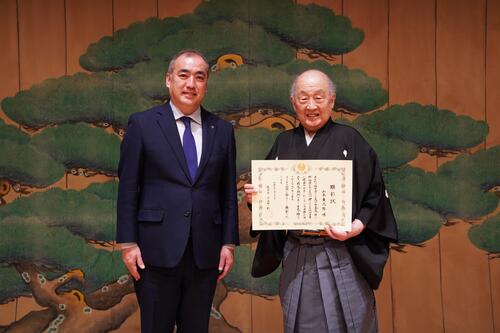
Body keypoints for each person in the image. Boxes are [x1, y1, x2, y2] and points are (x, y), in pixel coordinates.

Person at [244, 69, 397, 333]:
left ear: (332, 101)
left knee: (353, 322)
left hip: (342, 252)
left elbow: (374, 193)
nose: (311, 106)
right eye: (303, 98)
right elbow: (269, 202)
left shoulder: (351, 140)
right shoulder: (283, 142)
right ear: (293, 103)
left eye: (319, 97)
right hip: (297, 253)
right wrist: (256, 198)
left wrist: (356, 227)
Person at [116, 50, 239, 333]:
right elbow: (128, 187)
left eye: (199, 77)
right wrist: (128, 243)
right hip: (153, 250)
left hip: (205, 252)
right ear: (168, 80)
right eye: (183, 75)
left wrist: (228, 243)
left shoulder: (221, 130)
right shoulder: (143, 124)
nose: (190, 83)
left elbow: (227, 193)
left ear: (206, 84)